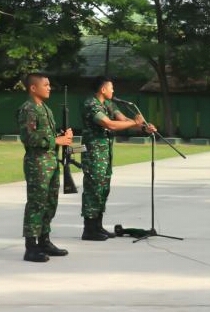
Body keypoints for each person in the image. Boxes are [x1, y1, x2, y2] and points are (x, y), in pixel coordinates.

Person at [80, 77, 158, 240]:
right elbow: (110, 124)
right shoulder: (91, 104)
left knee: (103, 189)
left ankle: (98, 226)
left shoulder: (108, 104)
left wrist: (144, 127)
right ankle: (89, 229)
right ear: (103, 89)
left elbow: (122, 120)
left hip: (105, 153)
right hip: (93, 153)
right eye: (111, 88)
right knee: (93, 189)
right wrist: (134, 124)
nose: (113, 91)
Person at [18, 73, 74, 262]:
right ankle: (31, 246)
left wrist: (63, 135)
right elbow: (28, 138)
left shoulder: (46, 109)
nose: (49, 87)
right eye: (46, 85)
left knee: (50, 202)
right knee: (36, 203)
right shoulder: (29, 109)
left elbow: (47, 134)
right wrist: (56, 140)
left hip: (51, 162)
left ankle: (44, 240)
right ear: (33, 88)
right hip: (37, 164)